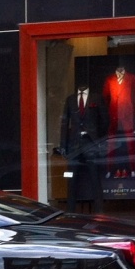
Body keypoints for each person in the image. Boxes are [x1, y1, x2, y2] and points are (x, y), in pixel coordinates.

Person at [56, 84, 106, 213]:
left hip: (91, 143)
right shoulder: (70, 99)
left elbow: (104, 120)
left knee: (95, 178)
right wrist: (63, 144)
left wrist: (100, 140)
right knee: (72, 180)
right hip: (74, 143)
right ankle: (70, 211)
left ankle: (99, 212)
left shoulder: (96, 98)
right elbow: (65, 122)